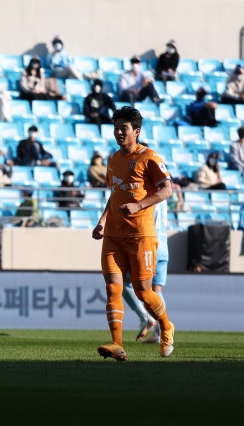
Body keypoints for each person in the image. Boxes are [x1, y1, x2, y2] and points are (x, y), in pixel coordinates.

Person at [92, 106, 175, 361]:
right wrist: (103, 221)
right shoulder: (113, 159)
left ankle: (166, 326)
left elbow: (167, 190)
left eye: (123, 128)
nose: (118, 132)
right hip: (114, 236)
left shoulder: (149, 157)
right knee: (112, 288)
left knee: (143, 291)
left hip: (141, 235)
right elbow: (114, 194)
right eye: (116, 127)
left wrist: (139, 205)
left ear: (136, 131)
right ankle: (117, 344)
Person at [122, 200, 169, 344]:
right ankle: (160, 333)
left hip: (149, 245)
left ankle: (144, 317)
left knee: (123, 282)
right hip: (163, 246)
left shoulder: (148, 196)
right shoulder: (162, 197)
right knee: (156, 289)